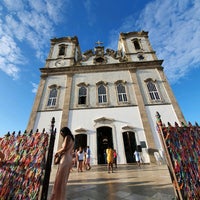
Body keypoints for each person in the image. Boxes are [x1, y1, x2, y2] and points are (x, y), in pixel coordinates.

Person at [50, 127, 75, 200]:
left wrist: (56, 152)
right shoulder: (72, 139)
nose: (61, 135)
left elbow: (64, 148)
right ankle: (60, 196)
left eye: (62, 133)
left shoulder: (67, 137)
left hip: (65, 159)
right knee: (63, 179)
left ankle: (58, 197)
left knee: (60, 179)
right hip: (68, 159)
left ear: (65, 132)